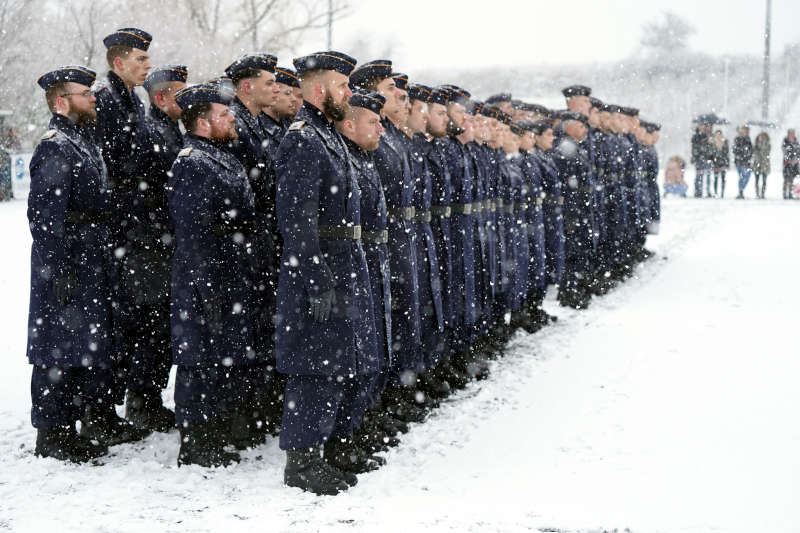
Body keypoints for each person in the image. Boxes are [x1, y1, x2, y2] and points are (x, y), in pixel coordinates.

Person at [274, 50, 380, 496]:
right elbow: (295, 220)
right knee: (314, 367)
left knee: (339, 362)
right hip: (320, 268)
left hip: (343, 261)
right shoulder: (303, 138)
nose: (349, 93)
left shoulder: (327, 136)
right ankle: (301, 464)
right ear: (320, 91)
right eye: (343, 85)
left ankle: (330, 448)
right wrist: (316, 280)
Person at [27, 66, 112, 462]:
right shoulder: (55, 145)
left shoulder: (81, 140)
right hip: (66, 259)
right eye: (85, 93)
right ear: (62, 101)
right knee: (55, 349)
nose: (93, 98)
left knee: (79, 347)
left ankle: (69, 426)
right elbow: (45, 218)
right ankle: (52, 433)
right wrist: (58, 269)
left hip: (88, 257)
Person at [89, 27, 154, 444]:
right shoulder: (105, 100)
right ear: (119, 63)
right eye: (141, 60)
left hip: (133, 226)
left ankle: (120, 406)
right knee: (112, 323)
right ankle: (99, 413)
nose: (148, 66)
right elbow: (107, 168)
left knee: (132, 323)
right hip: (115, 227)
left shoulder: (133, 98)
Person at [121, 65, 187, 433]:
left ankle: (149, 398)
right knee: (150, 330)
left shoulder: (170, 131)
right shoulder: (148, 133)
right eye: (180, 92)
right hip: (148, 249)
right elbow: (140, 193)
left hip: (162, 247)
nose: (187, 99)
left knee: (161, 330)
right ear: (162, 97)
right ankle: (141, 401)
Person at [224, 53, 282, 447]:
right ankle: (240, 416)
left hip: (262, 238)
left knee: (261, 328)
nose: (275, 88)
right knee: (243, 332)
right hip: (244, 240)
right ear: (246, 87)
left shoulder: (257, 123)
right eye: (268, 82)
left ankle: (257, 410)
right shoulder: (235, 123)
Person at [334, 89, 391, 465]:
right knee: (355, 355)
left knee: (373, 349)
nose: (382, 129)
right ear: (350, 125)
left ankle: (358, 427)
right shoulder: (346, 158)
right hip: (353, 258)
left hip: (369, 255)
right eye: (373, 121)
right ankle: (343, 437)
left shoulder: (362, 158)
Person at [691, 123, 713, 198]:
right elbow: (695, 147)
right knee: (699, 175)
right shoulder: (696, 136)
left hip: (708, 158)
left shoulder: (709, 135)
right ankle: (698, 191)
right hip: (699, 158)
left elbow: (710, 148)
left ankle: (708, 191)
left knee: (708, 176)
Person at [732, 126, 753, 199]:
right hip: (739, 162)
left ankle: (741, 190)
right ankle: (740, 191)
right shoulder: (737, 139)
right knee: (742, 176)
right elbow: (735, 150)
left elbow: (750, 151)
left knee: (747, 176)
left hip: (747, 162)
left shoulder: (748, 139)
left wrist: (748, 158)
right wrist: (742, 154)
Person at [710, 130, 729, 198]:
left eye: (719, 134)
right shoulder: (713, 143)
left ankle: (722, 193)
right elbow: (711, 155)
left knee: (723, 178)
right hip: (715, 163)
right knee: (715, 179)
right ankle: (715, 192)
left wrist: (727, 163)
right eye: (717, 135)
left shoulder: (725, 142)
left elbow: (727, 154)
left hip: (723, 163)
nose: (718, 136)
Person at [782, 129, 799, 200]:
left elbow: (798, 151)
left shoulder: (796, 142)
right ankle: (784, 193)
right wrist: (790, 159)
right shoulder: (785, 142)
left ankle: (790, 193)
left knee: (792, 179)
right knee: (786, 179)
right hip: (787, 164)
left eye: (793, 134)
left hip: (795, 164)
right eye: (790, 134)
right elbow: (785, 151)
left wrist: (796, 158)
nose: (792, 135)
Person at [753, 131, 771, 199]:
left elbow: (765, 153)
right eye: (761, 137)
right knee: (757, 180)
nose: (762, 138)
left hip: (765, 165)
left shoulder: (768, 145)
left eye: (764, 137)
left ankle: (763, 194)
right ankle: (757, 194)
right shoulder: (756, 146)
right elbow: (756, 154)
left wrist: (762, 146)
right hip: (757, 164)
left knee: (764, 180)